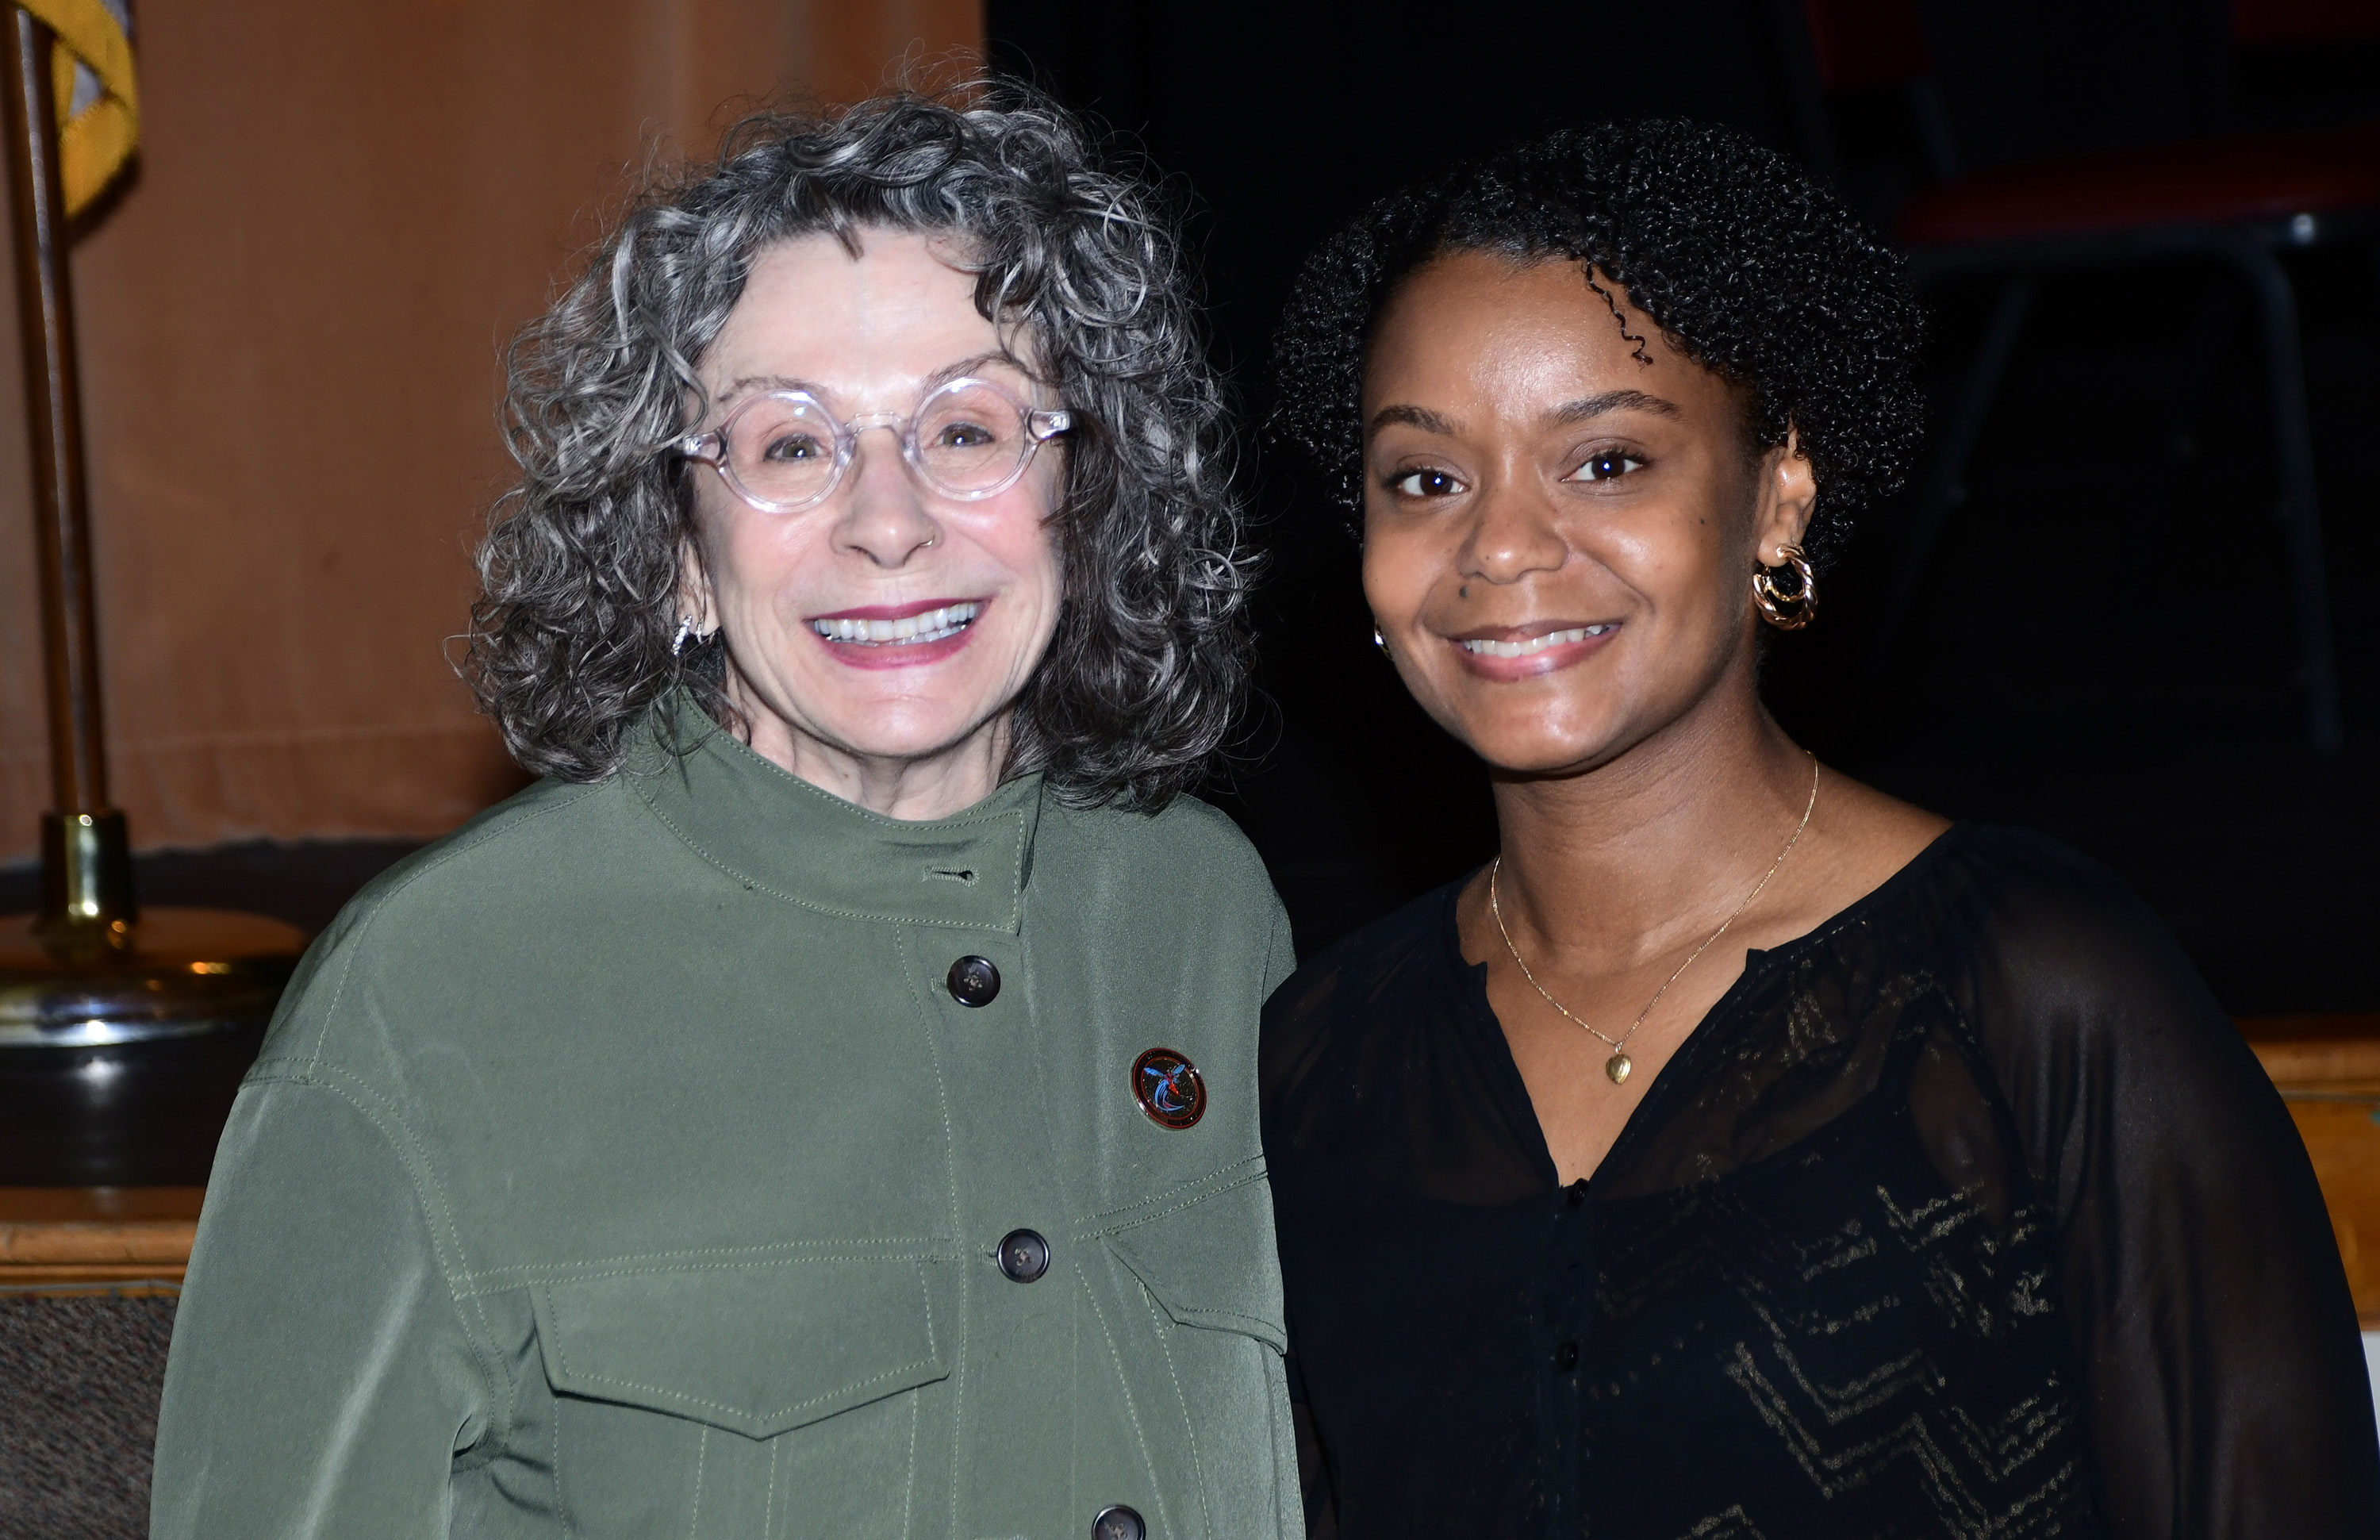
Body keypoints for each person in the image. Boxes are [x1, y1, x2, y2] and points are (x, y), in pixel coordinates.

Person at [152, 90, 1300, 1540]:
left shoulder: (1203, 911)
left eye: (967, 426)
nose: (889, 519)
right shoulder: (431, 993)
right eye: (790, 446)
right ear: (678, 548)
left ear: (1084, 491)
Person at [1261, 119, 2380, 1538]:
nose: (1501, 547)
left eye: (1606, 461)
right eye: (1426, 477)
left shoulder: (2029, 994)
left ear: (1776, 494)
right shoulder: (1322, 1062)